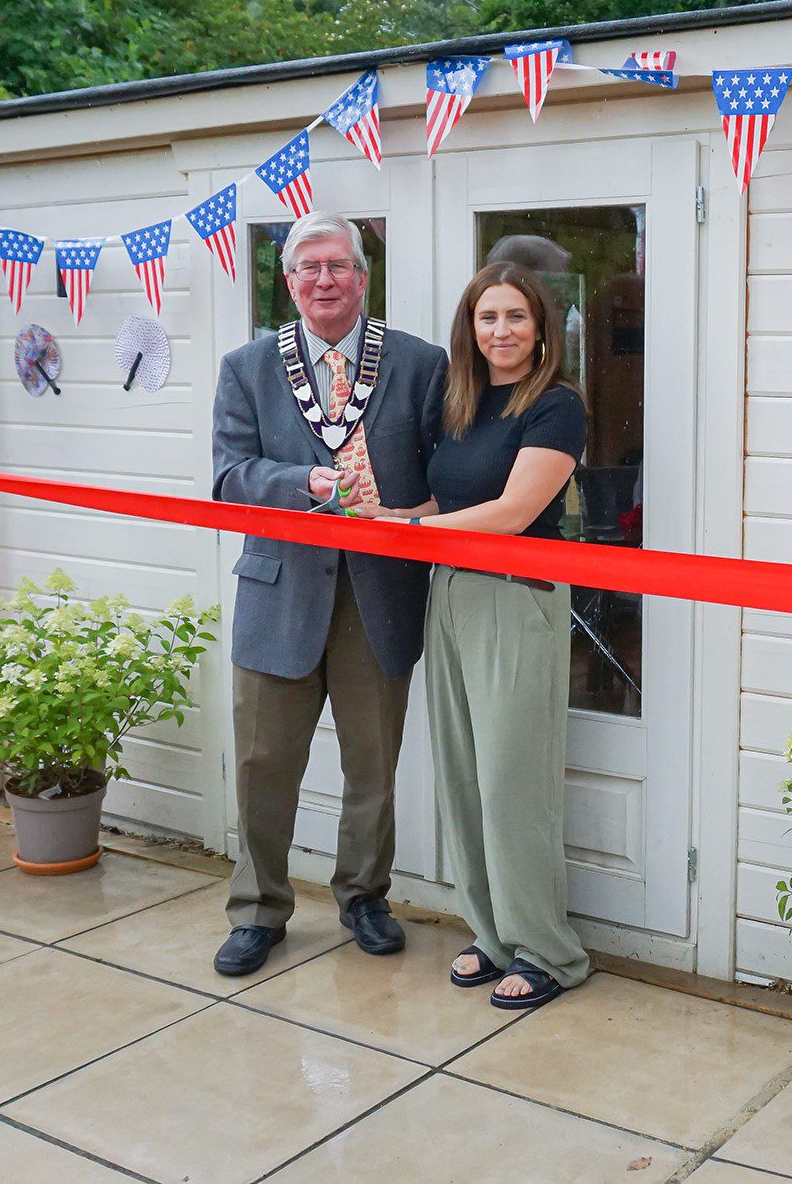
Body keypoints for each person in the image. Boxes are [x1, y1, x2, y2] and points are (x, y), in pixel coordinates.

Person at [210, 213, 446, 975]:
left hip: (378, 596)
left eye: (338, 266)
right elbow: (227, 479)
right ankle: (258, 908)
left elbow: (444, 472)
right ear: (287, 282)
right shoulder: (247, 367)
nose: (323, 280)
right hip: (280, 592)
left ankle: (364, 895)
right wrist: (301, 482)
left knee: (373, 765)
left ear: (363, 276)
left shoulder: (421, 364)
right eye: (308, 267)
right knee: (263, 762)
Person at [370, 261, 591, 1009]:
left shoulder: (556, 407)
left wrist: (415, 529)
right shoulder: (461, 404)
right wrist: (390, 514)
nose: (501, 330)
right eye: (487, 316)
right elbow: (450, 494)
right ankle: (494, 936)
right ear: (471, 327)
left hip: (516, 595)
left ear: (540, 329)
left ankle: (548, 950)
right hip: (452, 591)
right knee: (463, 774)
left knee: (510, 781)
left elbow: (509, 513)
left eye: (516, 317)